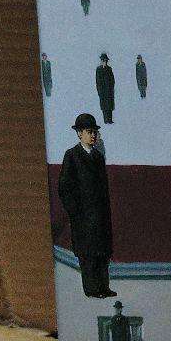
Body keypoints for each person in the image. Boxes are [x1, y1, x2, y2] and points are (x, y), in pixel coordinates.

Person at [58, 113, 114, 297]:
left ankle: (103, 287)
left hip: (100, 217)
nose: (93, 135)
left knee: (102, 253)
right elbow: (64, 187)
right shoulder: (72, 155)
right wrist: (75, 213)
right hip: (83, 218)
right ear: (79, 134)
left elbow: (103, 189)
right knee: (88, 255)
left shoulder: (98, 157)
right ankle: (91, 289)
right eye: (89, 132)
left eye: (94, 132)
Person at [96, 53, 115, 124]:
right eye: (103, 60)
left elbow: (112, 80)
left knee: (109, 105)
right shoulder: (98, 69)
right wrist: (99, 91)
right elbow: (98, 81)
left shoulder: (109, 69)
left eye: (105, 61)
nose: (104, 62)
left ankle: (110, 119)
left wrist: (111, 88)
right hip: (102, 91)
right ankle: (105, 119)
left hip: (109, 91)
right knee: (104, 106)